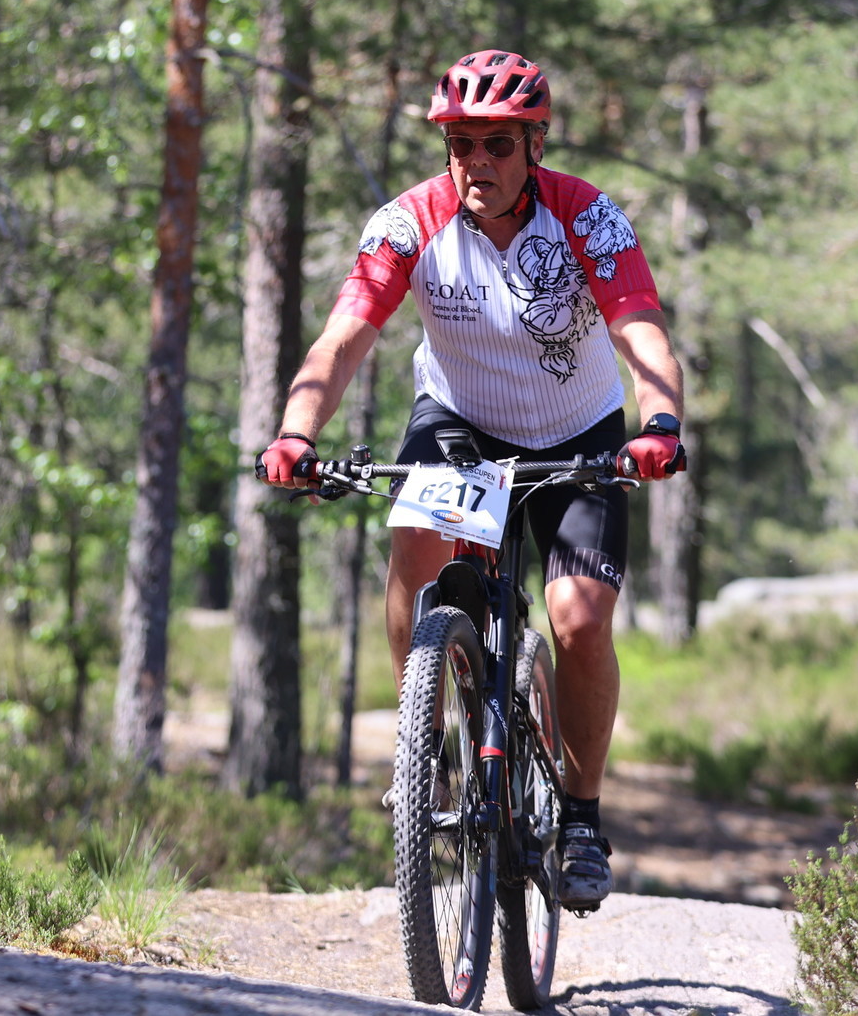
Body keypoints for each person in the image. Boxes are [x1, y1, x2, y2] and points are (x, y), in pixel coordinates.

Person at [255, 49, 685, 909]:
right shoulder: (408, 221)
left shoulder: (588, 217)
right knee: (416, 540)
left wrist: (661, 422)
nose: (476, 162)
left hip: (578, 433)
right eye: (460, 145)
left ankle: (581, 818)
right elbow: (343, 338)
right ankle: (425, 743)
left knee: (579, 617)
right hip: (459, 420)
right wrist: (297, 431)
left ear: (535, 144)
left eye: (497, 144)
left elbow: (640, 330)